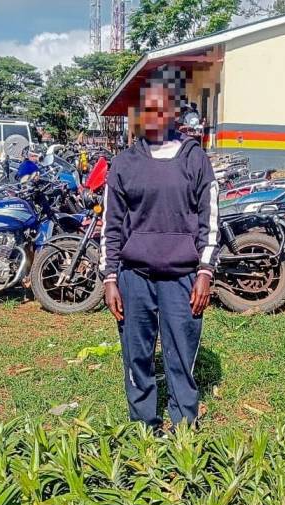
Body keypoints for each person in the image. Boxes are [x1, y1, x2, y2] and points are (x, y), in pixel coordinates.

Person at [101, 65, 219, 433]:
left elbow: (210, 219)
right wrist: (109, 278)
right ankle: (143, 426)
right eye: (145, 111)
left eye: (160, 110)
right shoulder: (124, 164)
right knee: (137, 355)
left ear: (172, 113)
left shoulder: (194, 159)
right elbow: (112, 225)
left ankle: (184, 424)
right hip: (134, 278)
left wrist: (205, 271)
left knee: (181, 354)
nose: (152, 117)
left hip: (183, 278)